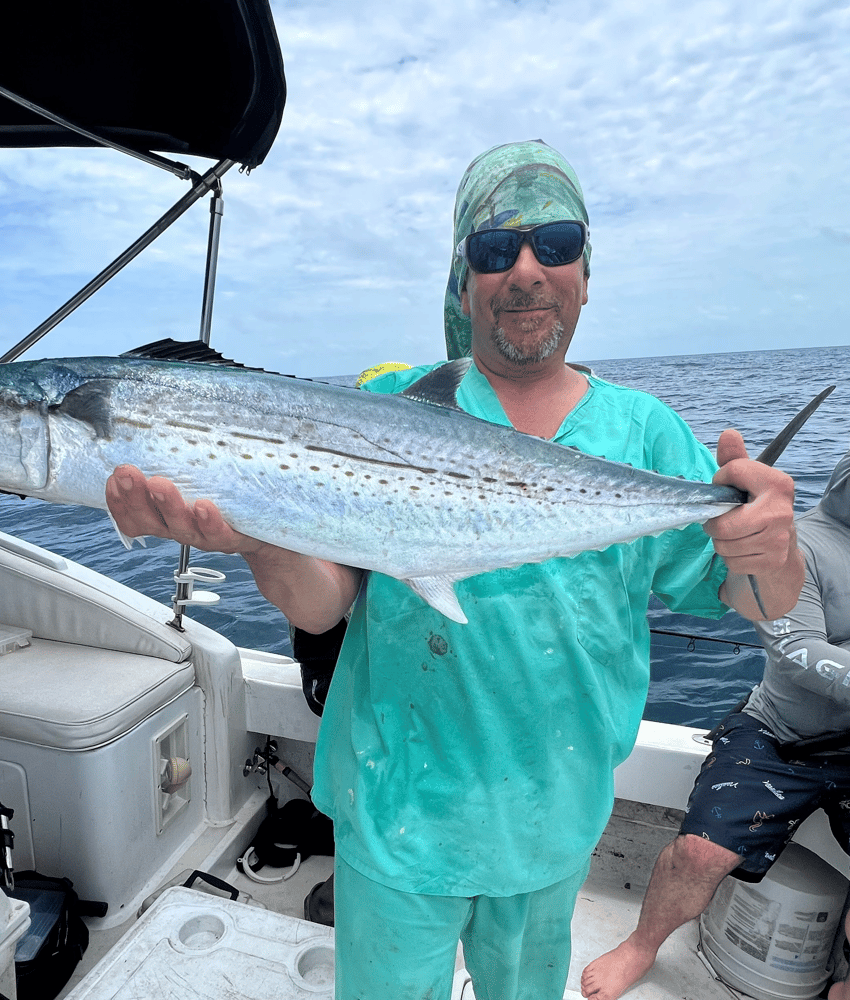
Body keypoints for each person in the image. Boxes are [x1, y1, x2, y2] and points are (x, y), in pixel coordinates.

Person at [105, 140, 804, 1000]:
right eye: (492, 248)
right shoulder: (390, 401)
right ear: (461, 276)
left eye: (554, 244)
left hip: (554, 819)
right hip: (396, 812)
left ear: (586, 270)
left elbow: (759, 599)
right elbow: (323, 609)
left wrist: (772, 548)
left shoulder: (649, 436)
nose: (525, 270)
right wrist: (259, 535)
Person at [582, 448, 850, 1000]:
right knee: (700, 853)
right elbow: (797, 647)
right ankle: (642, 945)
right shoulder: (799, 540)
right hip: (779, 735)